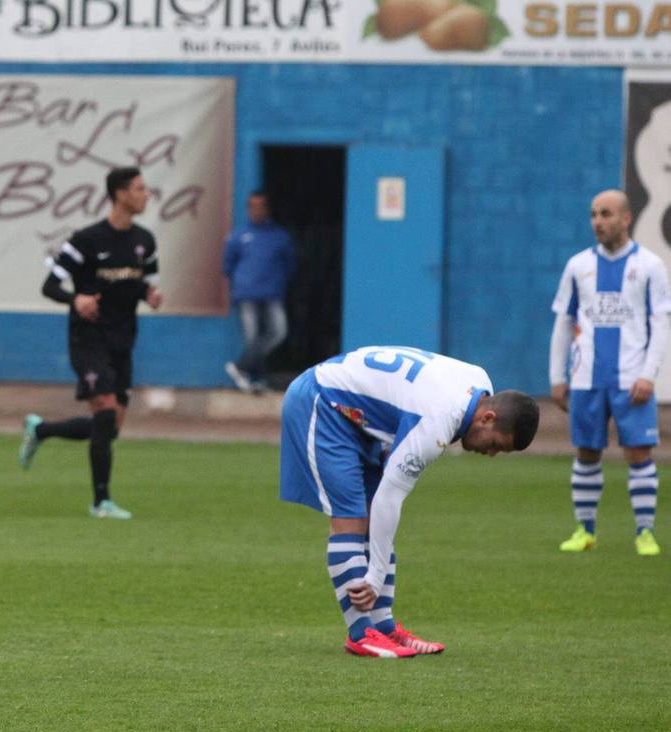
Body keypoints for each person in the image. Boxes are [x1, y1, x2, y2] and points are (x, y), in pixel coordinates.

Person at [279, 346, 539, 657]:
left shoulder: (479, 384)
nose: (492, 454)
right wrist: (374, 576)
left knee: (373, 521)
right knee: (352, 518)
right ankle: (361, 633)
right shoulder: (440, 420)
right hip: (323, 401)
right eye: (496, 444)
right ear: (488, 417)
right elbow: (391, 497)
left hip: (355, 413)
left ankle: (384, 628)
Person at [17, 166, 160, 519]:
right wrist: (75, 300)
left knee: (108, 428)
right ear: (120, 194)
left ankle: (41, 429)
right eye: (140, 189)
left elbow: (142, 284)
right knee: (106, 411)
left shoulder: (146, 241)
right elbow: (49, 286)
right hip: (88, 338)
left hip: (123, 339)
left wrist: (151, 294)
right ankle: (101, 503)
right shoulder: (86, 240)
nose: (146, 195)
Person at [549, 189, 669, 556]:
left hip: (631, 377)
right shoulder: (578, 266)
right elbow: (564, 322)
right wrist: (557, 376)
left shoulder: (649, 265)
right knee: (586, 452)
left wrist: (649, 374)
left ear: (626, 218)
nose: (598, 221)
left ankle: (644, 533)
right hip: (586, 378)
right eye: (594, 215)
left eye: (606, 214)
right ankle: (585, 531)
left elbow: (660, 322)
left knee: (639, 453)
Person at [222, 191, 297, 393]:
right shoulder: (238, 236)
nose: (256, 210)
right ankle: (257, 379)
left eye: (260, 206)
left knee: (278, 333)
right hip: (246, 295)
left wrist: (280, 282)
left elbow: (290, 264)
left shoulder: (279, 236)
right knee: (252, 338)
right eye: (252, 206)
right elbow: (228, 265)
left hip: (273, 294)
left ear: (267, 208)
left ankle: (241, 367)